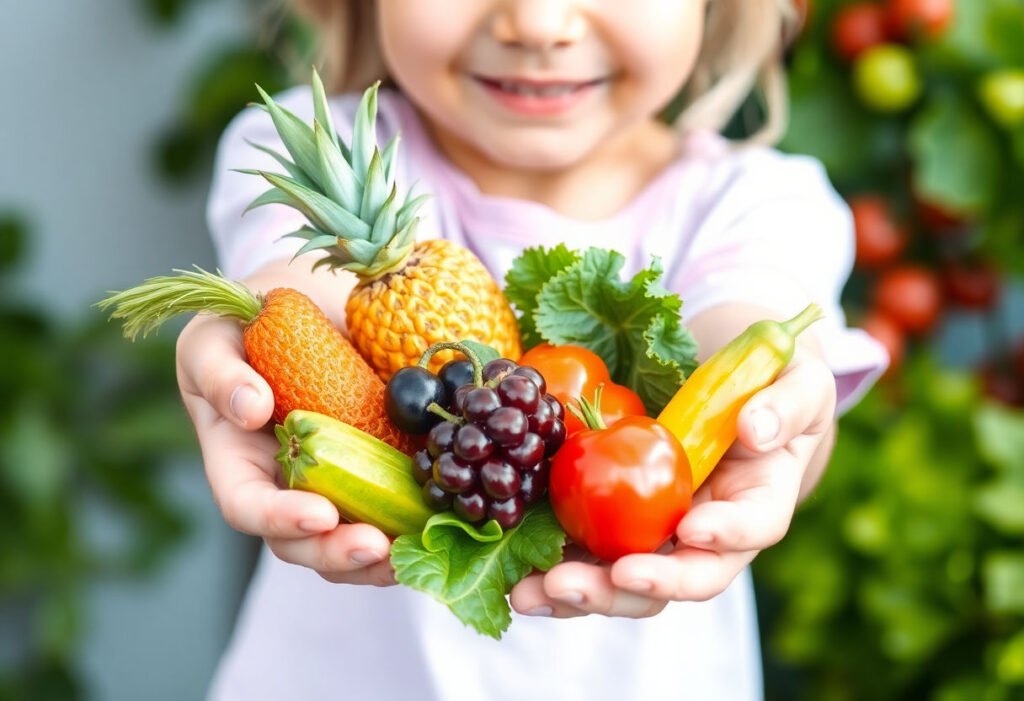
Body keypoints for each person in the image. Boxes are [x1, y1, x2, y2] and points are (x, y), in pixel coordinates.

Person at [184, 1, 888, 699]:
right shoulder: (319, 153)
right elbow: (303, 282)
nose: (538, 23)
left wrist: (764, 410)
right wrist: (273, 325)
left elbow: (745, 331)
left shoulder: (761, 200)